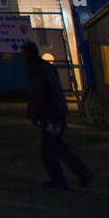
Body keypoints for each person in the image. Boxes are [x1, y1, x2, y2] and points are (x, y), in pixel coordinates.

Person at [23, 41, 93, 189]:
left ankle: (70, 176)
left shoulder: (36, 69)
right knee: (56, 144)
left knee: (52, 147)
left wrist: (34, 112)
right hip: (56, 111)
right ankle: (77, 174)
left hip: (50, 114)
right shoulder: (46, 66)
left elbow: (38, 92)